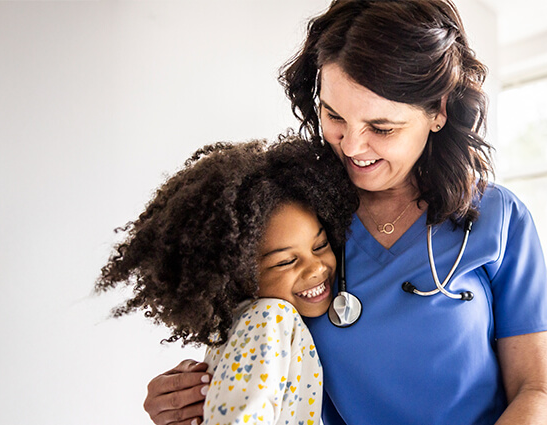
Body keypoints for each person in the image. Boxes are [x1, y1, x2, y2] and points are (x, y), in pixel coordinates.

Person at [141, 1, 547, 424]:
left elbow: (537, 390)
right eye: (334, 115)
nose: (351, 146)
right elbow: (255, 348)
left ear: (438, 111)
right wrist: (192, 395)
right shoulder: (296, 217)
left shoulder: (499, 217)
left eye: (381, 128)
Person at [98, 140, 355, 424]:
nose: (316, 267)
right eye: (285, 262)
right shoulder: (270, 319)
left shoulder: (238, 325)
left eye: (320, 245)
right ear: (239, 275)